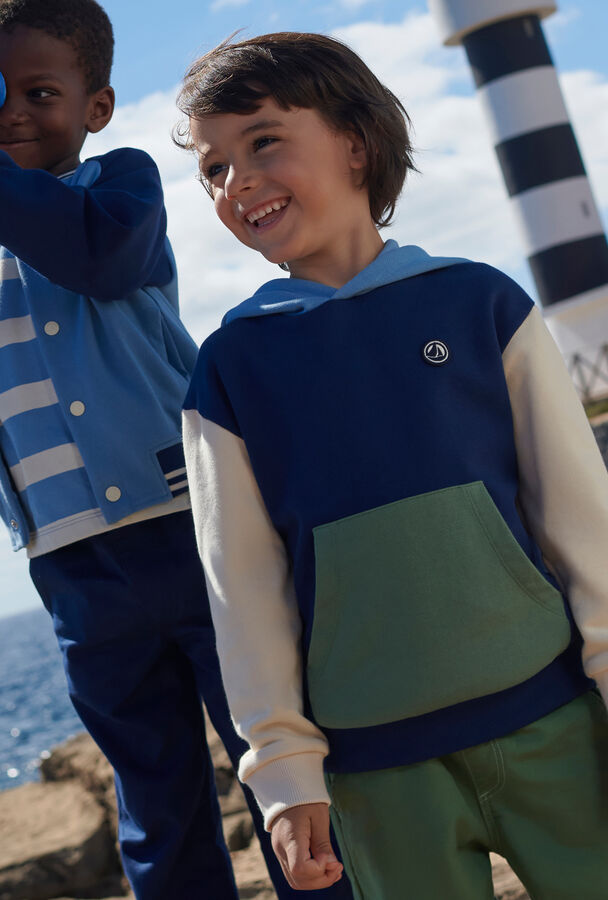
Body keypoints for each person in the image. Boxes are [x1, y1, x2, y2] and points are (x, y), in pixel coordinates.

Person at [177, 31, 608, 899]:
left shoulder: (479, 302)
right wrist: (283, 774)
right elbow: (244, 591)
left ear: (354, 142)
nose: (238, 182)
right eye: (213, 168)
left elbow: (579, 514)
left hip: (553, 716)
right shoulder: (227, 371)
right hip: (376, 769)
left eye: (262, 141)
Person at [0, 5, 352, 899]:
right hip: (70, 564)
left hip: (197, 530)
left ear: (98, 105)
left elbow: (97, 260)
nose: (10, 111)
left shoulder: (119, 188)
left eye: (38, 92)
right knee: (155, 798)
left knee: (278, 760)